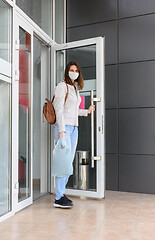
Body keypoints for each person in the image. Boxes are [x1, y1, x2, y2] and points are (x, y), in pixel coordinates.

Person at [53, 61, 95, 208]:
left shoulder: (75, 88)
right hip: (64, 129)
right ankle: (58, 197)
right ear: (67, 71)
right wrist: (61, 131)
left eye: (76, 70)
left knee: (68, 163)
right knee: (63, 163)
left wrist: (87, 112)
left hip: (74, 128)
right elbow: (58, 110)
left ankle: (61, 193)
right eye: (72, 70)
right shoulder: (61, 86)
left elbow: (73, 111)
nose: (74, 72)